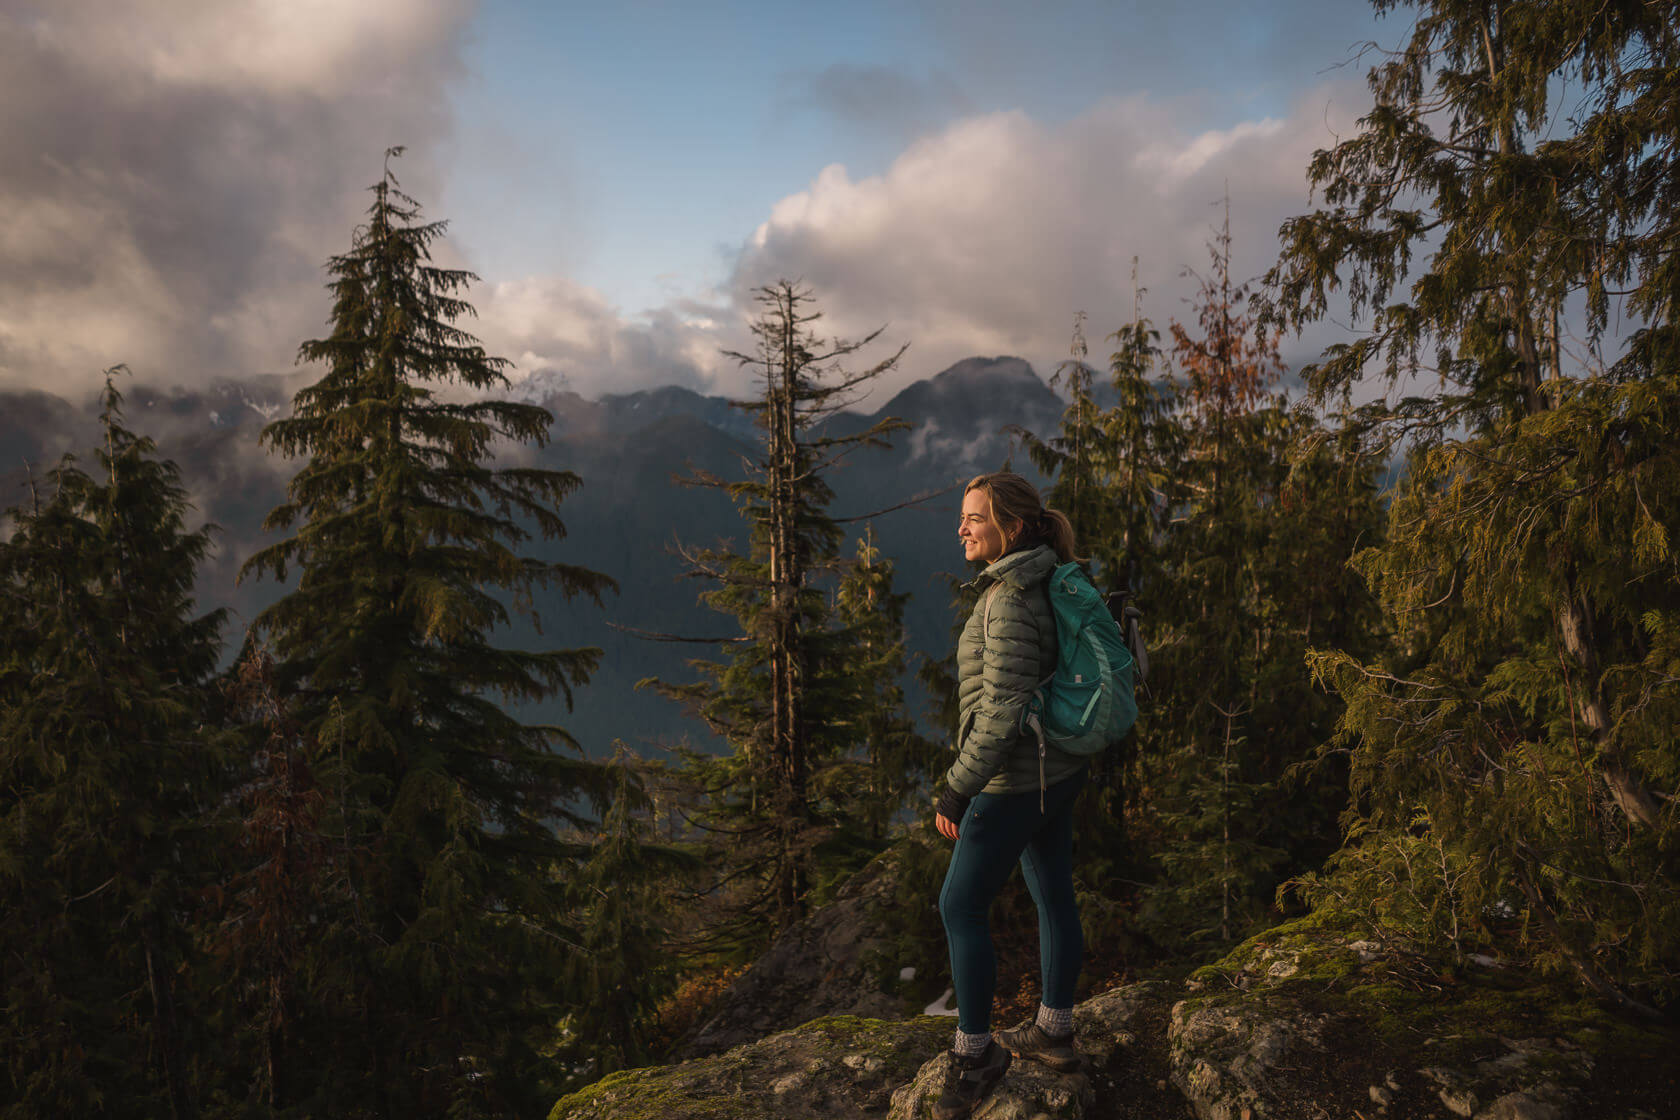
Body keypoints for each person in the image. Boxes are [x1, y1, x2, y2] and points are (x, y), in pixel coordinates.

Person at [931, 471, 1088, 1120]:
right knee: (1052, 894)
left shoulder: (1010, 599)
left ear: (1013, 528)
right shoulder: (1043, 577)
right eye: (963, 516)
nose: (962, 528)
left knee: (960, 906)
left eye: (976, 518)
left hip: (1015, 780)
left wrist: (957, 790)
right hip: (1056, 772)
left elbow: (1000, 711)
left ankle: (976, 1056)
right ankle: (1054, 1029)